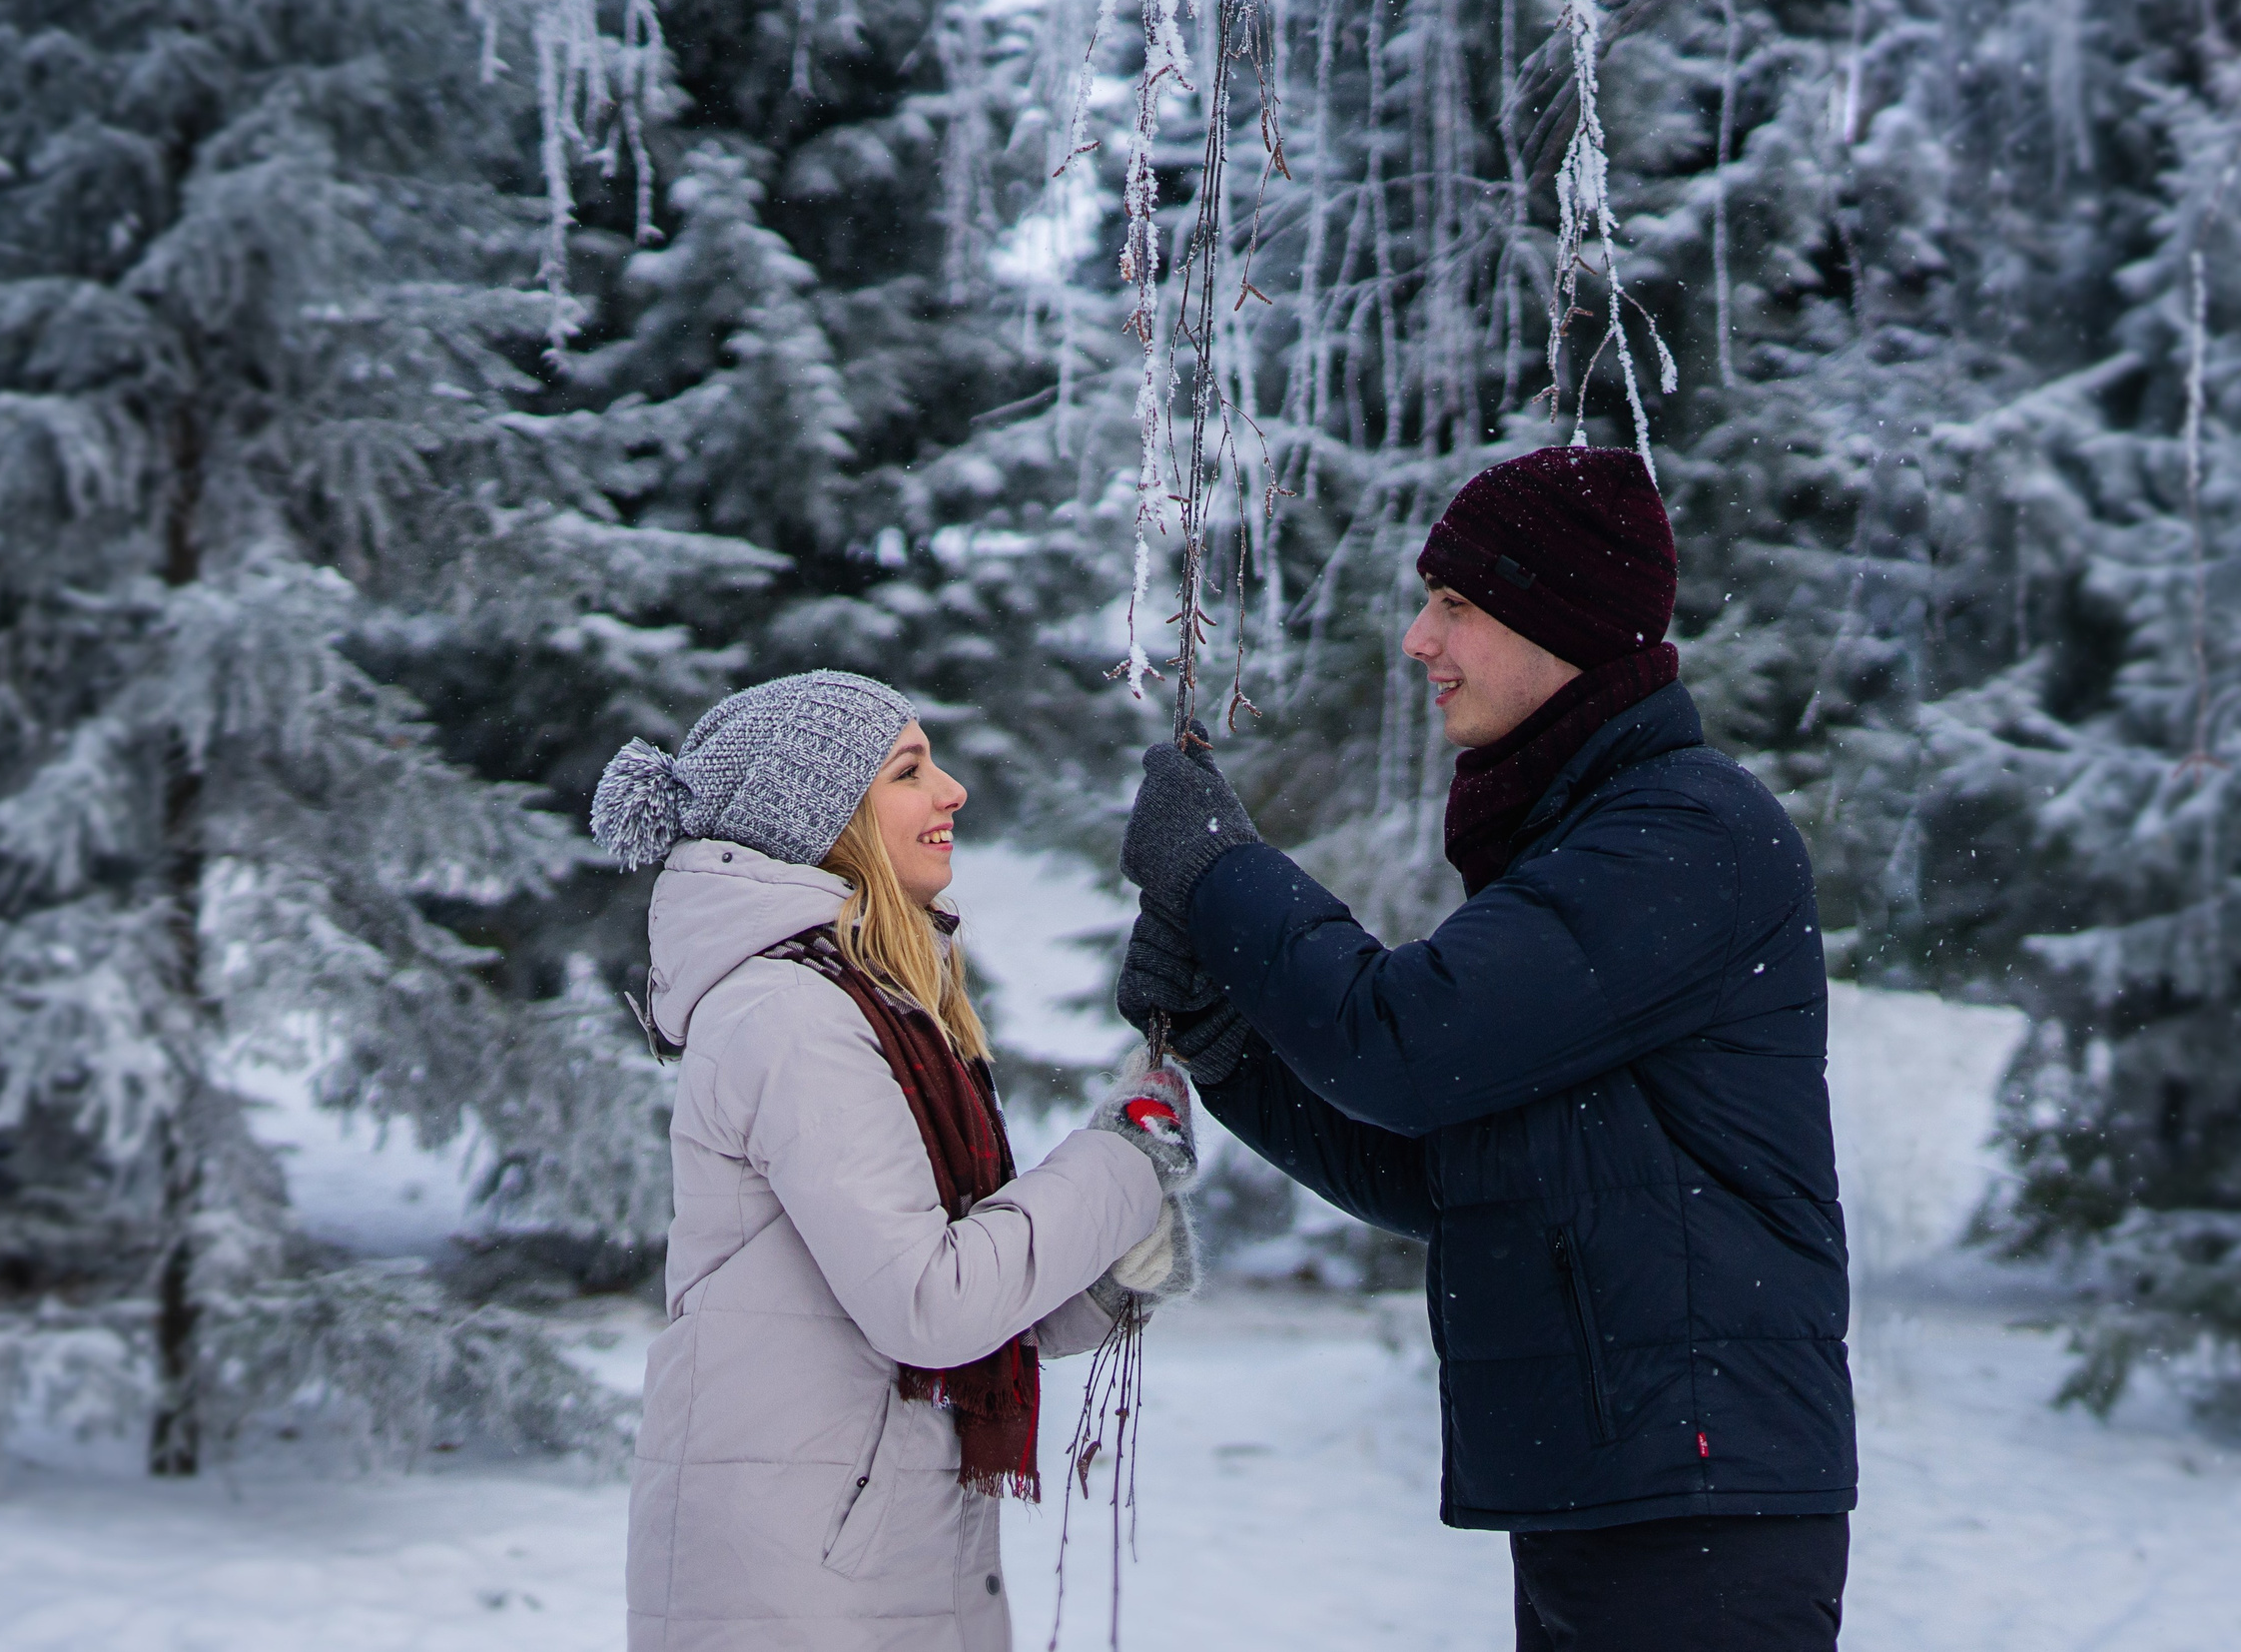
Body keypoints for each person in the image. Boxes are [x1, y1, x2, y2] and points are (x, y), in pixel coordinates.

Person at [1115, 448, 1856, 1651]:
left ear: (1556, 624)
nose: (1419, 639)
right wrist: (1231, 1045)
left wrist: (1223, 873)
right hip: (1622, 1484)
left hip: (1697, 1494)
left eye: (1456, 605)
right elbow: (1453, 1171)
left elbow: (1402, 1045)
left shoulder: (1682, 831)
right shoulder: (1593, 841)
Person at [594, 670, 1197, 1652]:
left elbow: (976, 1302)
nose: (951, 789)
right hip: (799, 1579)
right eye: (908, 770)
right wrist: (1119, 1164)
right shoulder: (791, 1015)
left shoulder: (875, 1009)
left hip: (868, 1549)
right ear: (826, 817)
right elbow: (931, 1299)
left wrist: (1122, 1248)